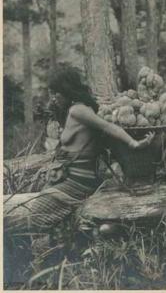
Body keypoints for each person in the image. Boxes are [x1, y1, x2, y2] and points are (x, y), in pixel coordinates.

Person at [6, 66, 155, 233]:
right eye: (51, 93)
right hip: (67, 180)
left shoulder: (79, 110)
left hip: (79, 184)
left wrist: (133, 143)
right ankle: (57, 243)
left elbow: (107, 126)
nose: (53, 98)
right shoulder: (70, 111)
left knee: (35, 214)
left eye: (56, 93)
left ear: (67, 91)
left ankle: (50, 252)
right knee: (33, 210)